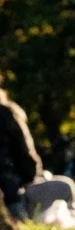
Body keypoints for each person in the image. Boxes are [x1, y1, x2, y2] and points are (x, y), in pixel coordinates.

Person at [1, 88, 42, 220]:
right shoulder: (6, 114)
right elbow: (24, 153)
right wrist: (30, 176)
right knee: (65, 187)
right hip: (10, 191)